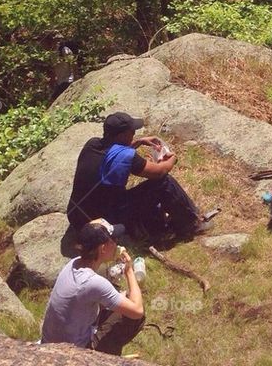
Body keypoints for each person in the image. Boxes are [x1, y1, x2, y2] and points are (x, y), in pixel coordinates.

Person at [66, 111, 202, 240]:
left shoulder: (92, 144)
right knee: (164, 182)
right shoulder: (126, 157)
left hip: (77, 217)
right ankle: (191, 224)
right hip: (103, 221)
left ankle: (178, 216)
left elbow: (111, 151)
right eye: (132, 132)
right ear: (122, 135)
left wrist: (139, 142)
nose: (134, 133)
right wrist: (172, 159)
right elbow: (159, 172)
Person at [40, 218, 145, 355]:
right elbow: (137, 311)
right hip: (72, 353)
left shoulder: (73, 263)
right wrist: (129, 271)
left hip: (50, 342)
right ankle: (105, 358)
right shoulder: (92, 282)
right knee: (133, 318)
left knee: (117, 297)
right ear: (102, 248)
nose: (115, 243)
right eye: (112, 240)